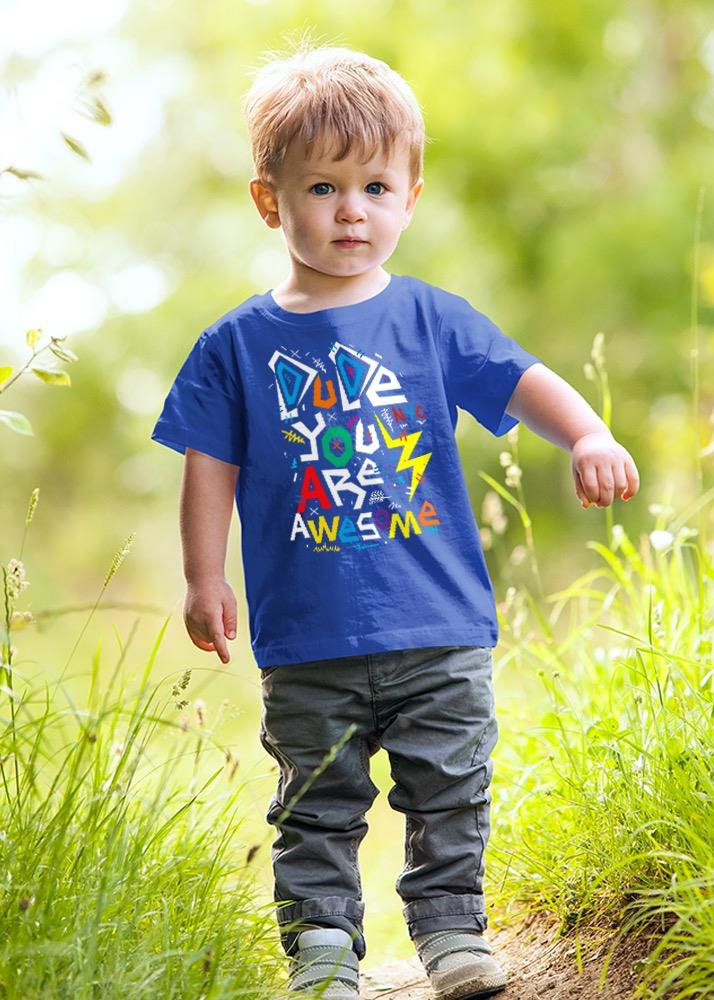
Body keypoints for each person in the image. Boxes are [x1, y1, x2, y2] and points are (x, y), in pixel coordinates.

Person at [151, 42, 639, 1000]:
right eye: (323, 187)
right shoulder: (236, 346)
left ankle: (454, 934)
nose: (350, 210)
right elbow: (208, 464)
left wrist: (587, 433)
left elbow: (521, 379)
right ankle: (324, 950)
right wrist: (205, 578)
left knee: (450, 790)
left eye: (375, 185)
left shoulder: (431, 318)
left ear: (410, 197)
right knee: (316, 805)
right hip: (307, 637)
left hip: (438, 625)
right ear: (269, 200)